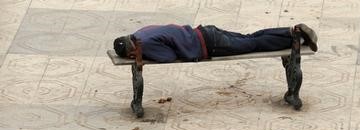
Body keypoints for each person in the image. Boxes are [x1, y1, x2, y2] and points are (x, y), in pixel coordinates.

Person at [113, 23, 318, 64]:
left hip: (209, 45)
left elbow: (169, 57)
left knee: (254, 44)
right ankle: (291, 31)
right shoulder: (139, 32)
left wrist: (143, 56)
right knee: (250, 38)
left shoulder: (144, 45)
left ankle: (295, 35)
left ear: (131, 52)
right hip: (204, 31)